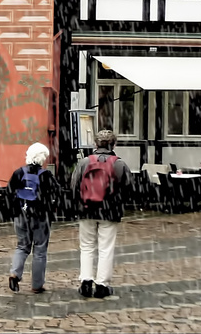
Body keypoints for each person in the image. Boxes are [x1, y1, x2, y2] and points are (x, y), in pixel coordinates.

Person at [70, 128, 131, 299]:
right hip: (110, 211)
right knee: (106, 248)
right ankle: (102, 284)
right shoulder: (119, 164)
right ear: (114, 144)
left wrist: (79, 204)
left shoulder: (84, 163)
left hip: (86, 209)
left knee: (87, 246)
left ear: (95, 144)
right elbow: (128, 189)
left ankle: (86, 281)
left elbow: (74, 186)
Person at [7, 142, 59, 293]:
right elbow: (57, 194)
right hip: (41, 217)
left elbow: (9, 194)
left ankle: (14, 273)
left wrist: (15, 211)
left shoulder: (19, 173)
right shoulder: (46, 175)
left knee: (22, 246)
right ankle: (37, 285)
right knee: (40, 250)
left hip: (21, 215)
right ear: (43, 158)